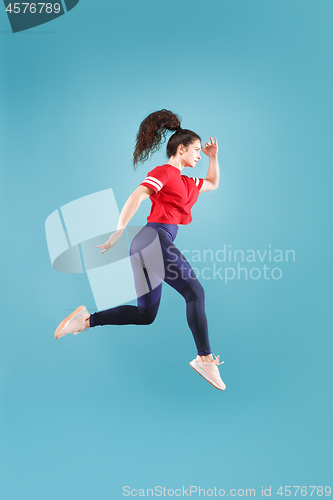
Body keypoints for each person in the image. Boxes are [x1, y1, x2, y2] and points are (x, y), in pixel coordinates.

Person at [54, 109, 226, 391]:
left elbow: (213, 183)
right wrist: (119, 229)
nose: (198, 154)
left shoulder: (186, 183)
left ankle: (85, 320)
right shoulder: (166, 173)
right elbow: (137, 195)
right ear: (180, 149)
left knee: (146, 315)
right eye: (196, 150)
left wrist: (212, 157)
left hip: (148, 245)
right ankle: (205, 358)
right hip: (153, 239)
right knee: (195, 293)